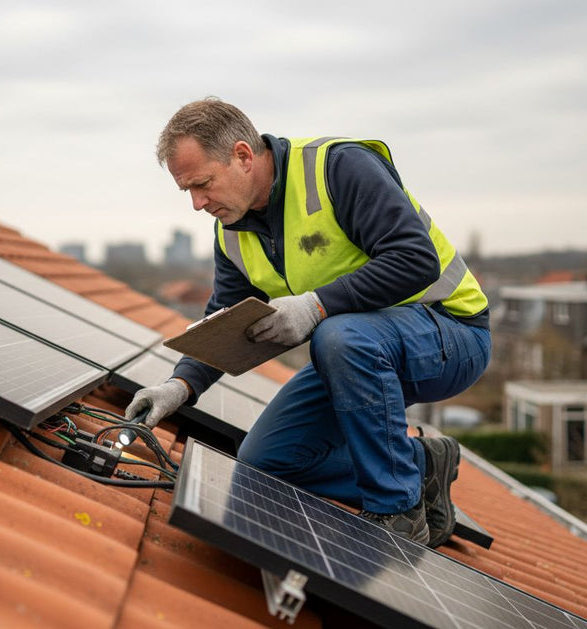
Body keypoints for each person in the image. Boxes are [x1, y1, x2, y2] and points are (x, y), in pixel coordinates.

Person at [126, 97, 491, 547]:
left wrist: (315, 307)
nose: (198, 204)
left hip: (449, 334)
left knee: (337, 335)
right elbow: (226, 321)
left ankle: (398, 510)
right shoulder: (233, 232)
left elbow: (417, 260)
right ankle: (419, 464)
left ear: (242, 156)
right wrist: (180, 386)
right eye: (188, 192)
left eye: (203, 185)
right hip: (355, 349)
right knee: (266, 463)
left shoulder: (338, 169)